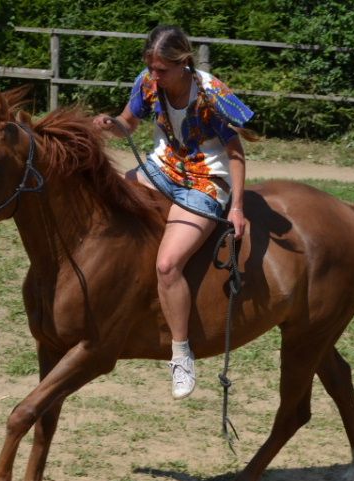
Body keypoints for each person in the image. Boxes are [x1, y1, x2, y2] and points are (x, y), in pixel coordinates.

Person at [93, 25, 254, 400]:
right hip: (161, 170)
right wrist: (110, 125)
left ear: (183, 63)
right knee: (106, 201)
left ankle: (181, 353)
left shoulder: (211, 95)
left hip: (204, 180)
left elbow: (235, 153)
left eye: (162, 70)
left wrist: (238, 207)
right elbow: (127, 125)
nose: (155, 77)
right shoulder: (148, 83)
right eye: (151, 68)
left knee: (168, 265)